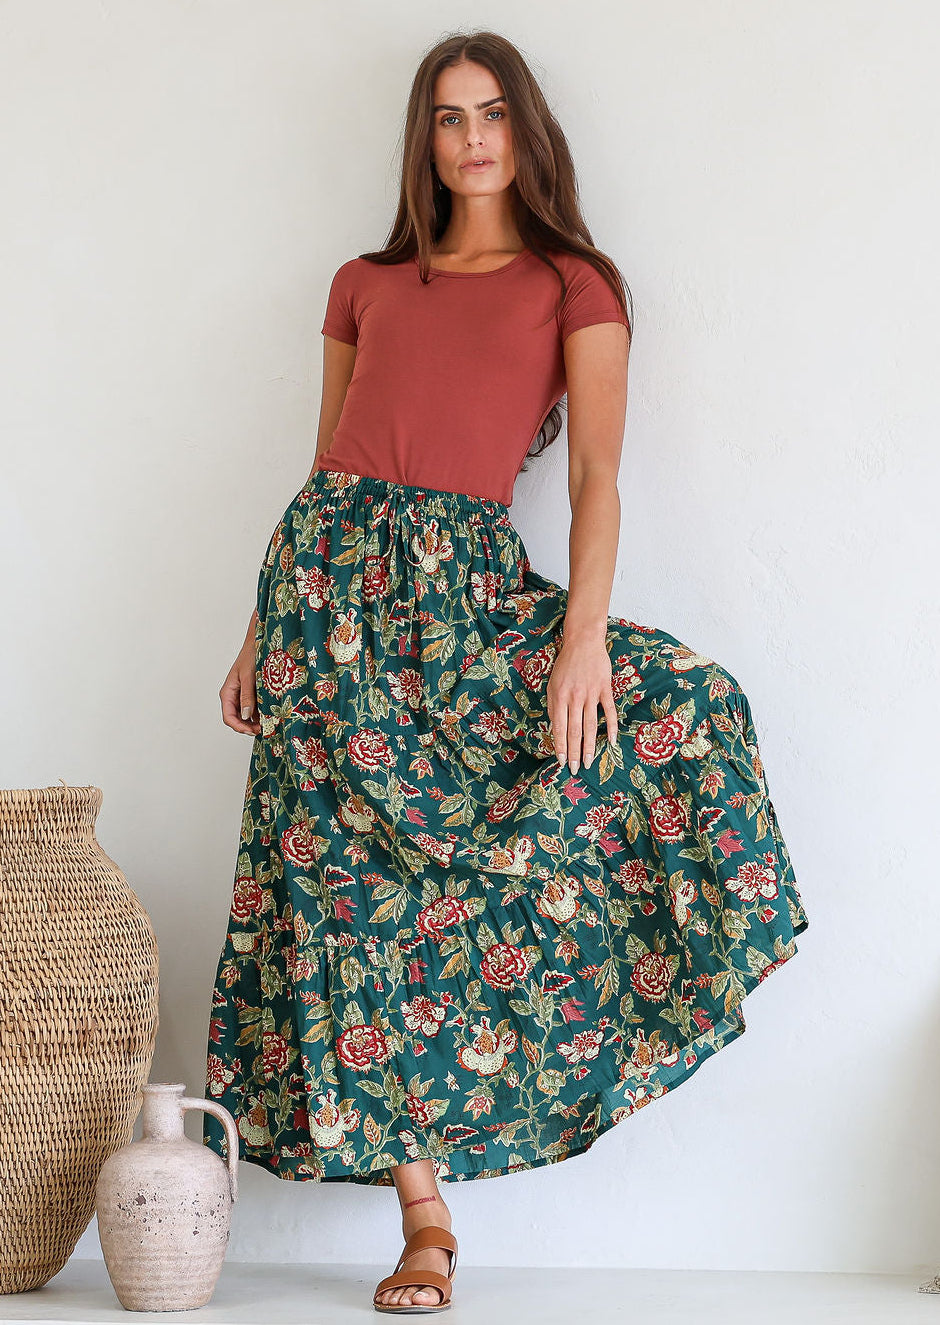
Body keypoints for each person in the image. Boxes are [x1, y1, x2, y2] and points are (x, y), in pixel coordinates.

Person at [202, 29, 809, 1315]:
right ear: (424, 141)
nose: (470, 138)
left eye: (489, 113)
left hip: (467, 599)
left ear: (524, 131)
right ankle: (424, 1219)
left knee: (689, 702)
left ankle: (633, 991)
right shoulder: (365, 282)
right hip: (323, 597)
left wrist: (581, 636)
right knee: (342, 894)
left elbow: (594, 477)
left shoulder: (574, 284)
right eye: (447, 117)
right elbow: (324, 468)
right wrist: (261, 628)